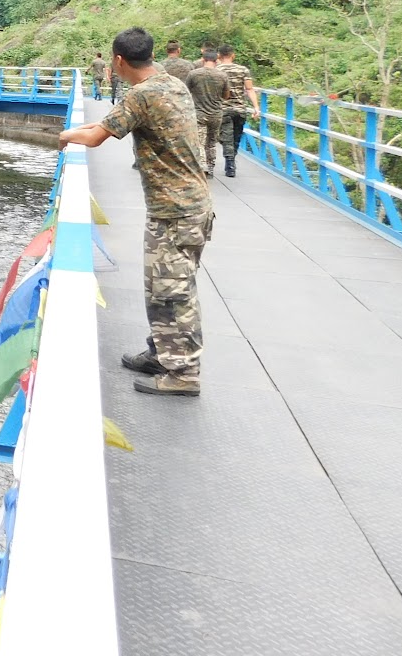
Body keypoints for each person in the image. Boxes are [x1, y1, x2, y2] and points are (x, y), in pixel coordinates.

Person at [59, 27, 212, 396]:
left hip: (175, 212)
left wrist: (64, 136)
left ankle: (183, 375)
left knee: (174, 292)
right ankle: (162, 353)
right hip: (191, 206)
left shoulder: (141, 96)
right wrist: (79, 129)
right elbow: (106, 125)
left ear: (118, 61)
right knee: (164, 288)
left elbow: (95, 138)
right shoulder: (171, 84)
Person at [216, 44, 260, 178]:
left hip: (223, 109)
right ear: (233, 55)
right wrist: (256, 107)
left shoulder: (216, 70)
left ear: (219, 56)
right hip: (240, 109)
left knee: (226, 137)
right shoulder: (243, 70)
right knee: (236, 137)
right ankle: (231, 160)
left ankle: (229, 163)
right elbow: (249, 89)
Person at [186, 50, 227, 177]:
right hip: (216, 113)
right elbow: (226, 96)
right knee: (212, 142)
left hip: (199, 113)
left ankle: (202, 165)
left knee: (200, 142)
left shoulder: (193, 74)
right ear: (216, 60)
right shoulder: (222, 76)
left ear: (203, 60)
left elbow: (186, 91)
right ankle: (211, 166)